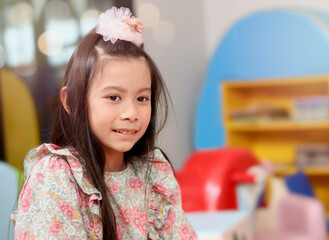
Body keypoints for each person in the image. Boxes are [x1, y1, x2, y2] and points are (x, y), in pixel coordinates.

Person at [11, 7, 197, 240]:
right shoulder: (57, 177)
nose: (131, 113)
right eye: (113, 97)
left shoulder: (154, 172)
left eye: (142, 98)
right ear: (71, 101)